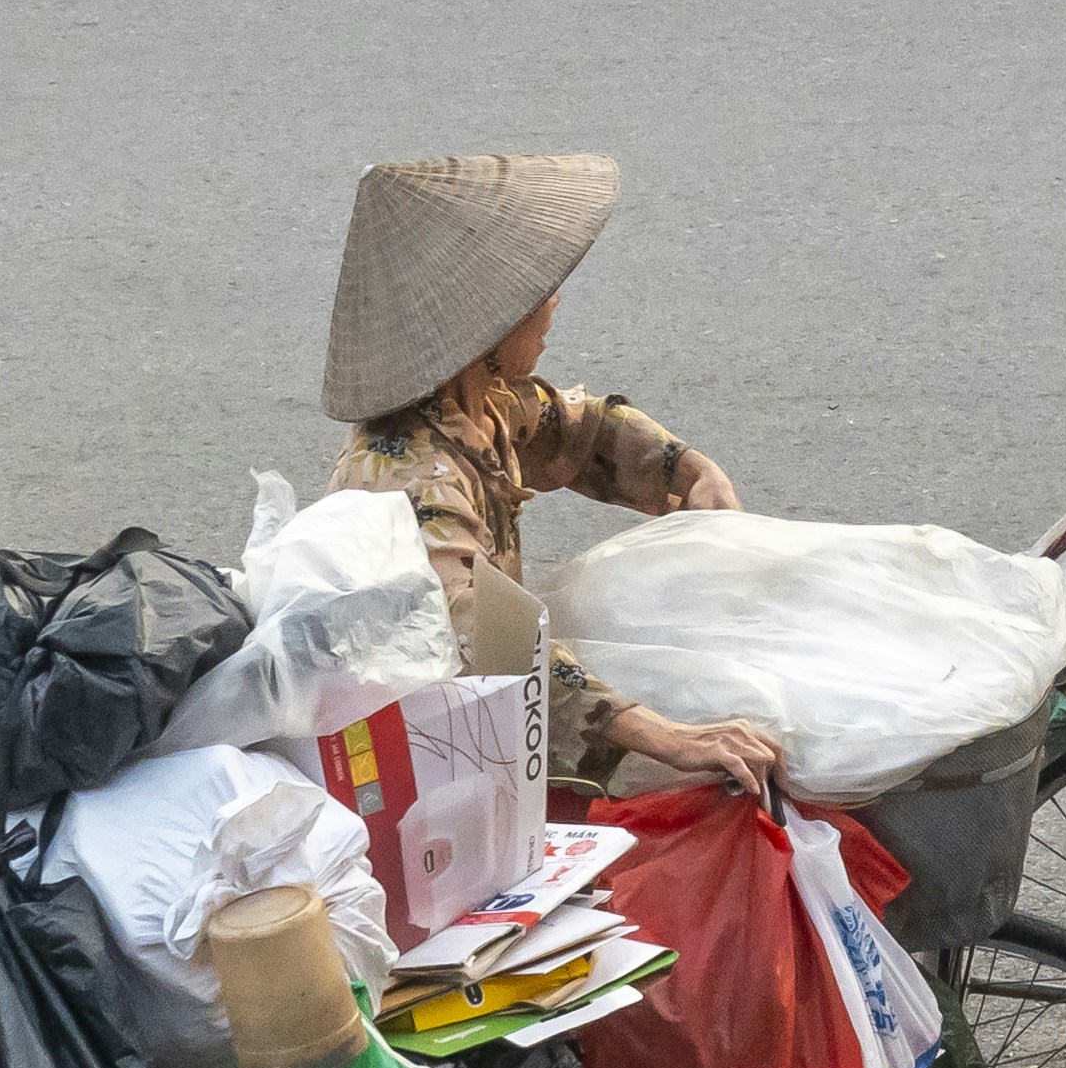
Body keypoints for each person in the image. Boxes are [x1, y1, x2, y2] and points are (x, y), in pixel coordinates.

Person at [319, 151, 780, 795]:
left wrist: (688, 471)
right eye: (534, 298)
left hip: (494, 705)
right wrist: (660, 734)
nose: (553, 304)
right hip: (429, 753)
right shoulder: (411, 479)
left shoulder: (479, 403)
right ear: (485, 332)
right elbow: (479, 638)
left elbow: (577, 429)